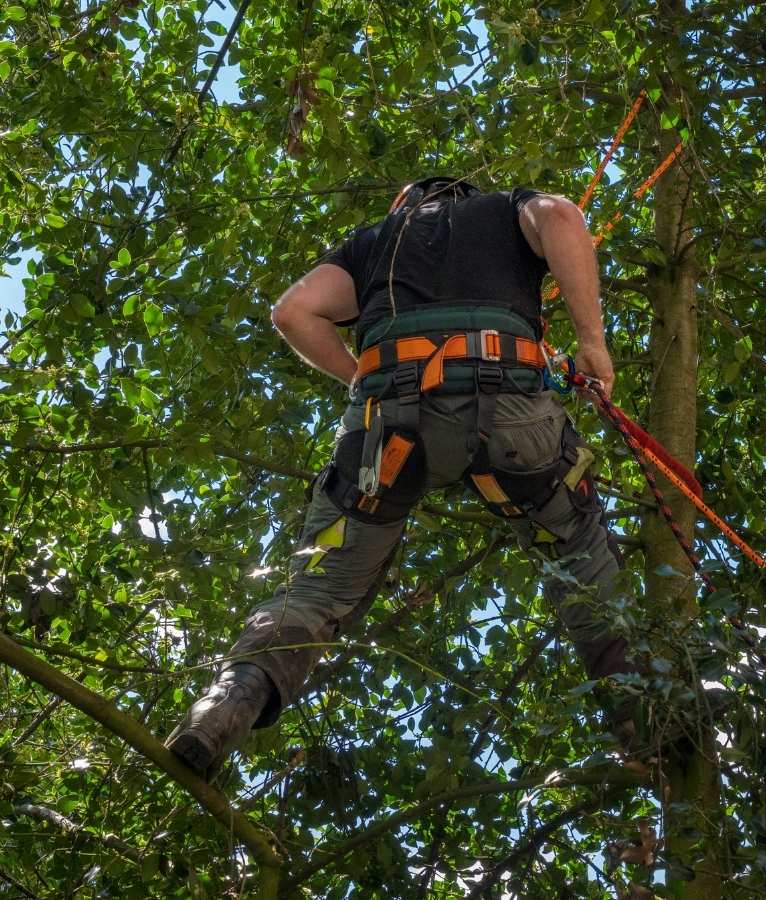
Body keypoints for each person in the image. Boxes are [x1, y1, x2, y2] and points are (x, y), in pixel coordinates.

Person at [165, 177, 637, 778]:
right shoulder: (503, 210)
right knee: (578, 548)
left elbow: (292, 313)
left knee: (316, 589)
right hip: (512, 413)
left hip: (386, 428)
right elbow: (563, 218)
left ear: (404, 206)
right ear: (463, 197)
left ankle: (226, 704)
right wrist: (592, 344)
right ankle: (643, 715)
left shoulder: (373, 243)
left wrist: (368, 384)